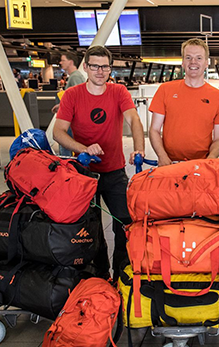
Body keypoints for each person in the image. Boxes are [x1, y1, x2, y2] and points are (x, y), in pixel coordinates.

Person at [53, 46, 145, 277]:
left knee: (125, 224)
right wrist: (83, 148)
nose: (99, 71)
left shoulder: (118, 92)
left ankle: (122, 275)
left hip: (114, 172)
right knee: (89, 228)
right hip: (83, 174)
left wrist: (139, 149)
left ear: (110, 69)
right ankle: (98, 276)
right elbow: (59, 132)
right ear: (85, 67)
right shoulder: (73, 95)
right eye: (94, 65)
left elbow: (134, 120)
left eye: (104, 66)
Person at [148, 38, 219, 164]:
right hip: (170, 163)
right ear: (182, 62)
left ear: (206, 62)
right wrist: (162, 156)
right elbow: (154, 129)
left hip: (201, 164)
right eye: (188, 57)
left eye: (199, 58)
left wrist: (211, 159)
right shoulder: (165, 90)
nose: (193, 62)